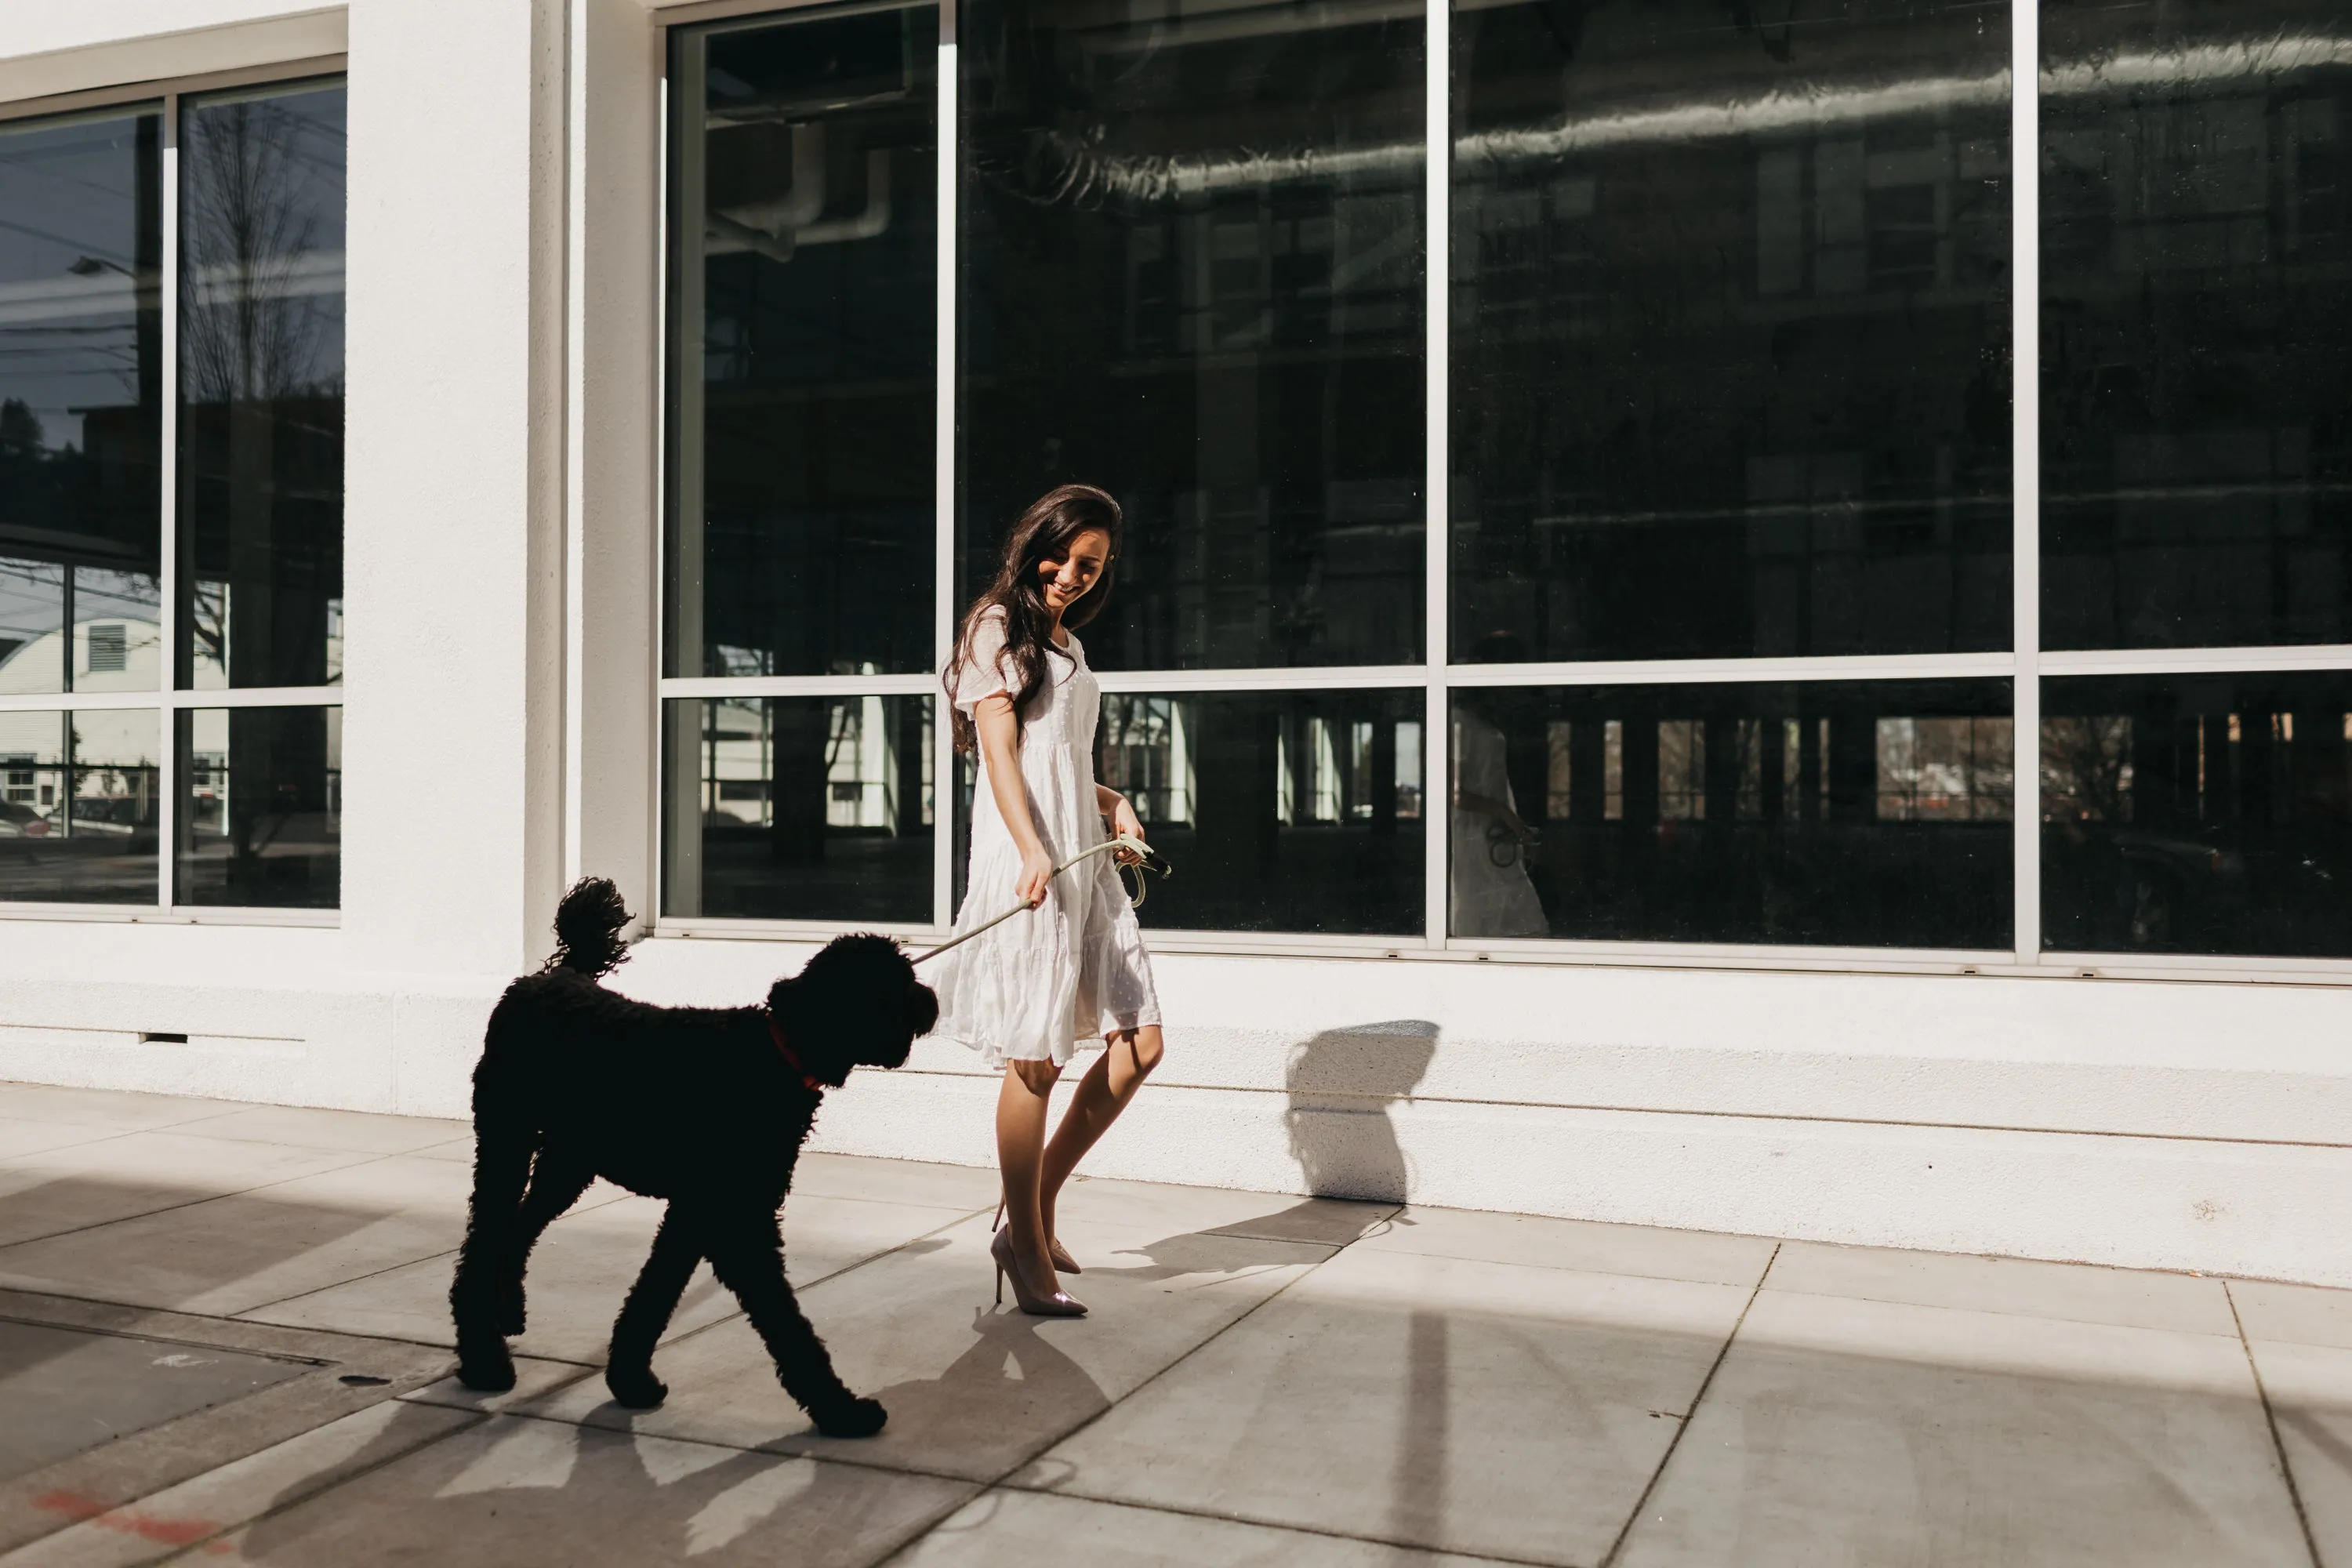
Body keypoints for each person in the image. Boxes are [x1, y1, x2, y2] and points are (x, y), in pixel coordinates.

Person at [928, 483, 1163, 1317]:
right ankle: (1024, 1243)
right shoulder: (996, 625)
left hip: (1083, 857)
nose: (1070, 574)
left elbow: (1055, 753)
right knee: (1037, 1056)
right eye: (1059, 557)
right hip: (1030, 861)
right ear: (1034, 547)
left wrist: (1112, 800)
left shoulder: (1065, 641)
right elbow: (1000, 756)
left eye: (1089, 564)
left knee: (1140, 1043)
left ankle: (1031, 1210)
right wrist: (1033, 848)